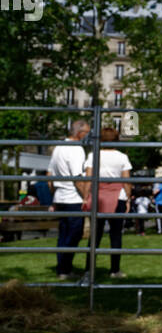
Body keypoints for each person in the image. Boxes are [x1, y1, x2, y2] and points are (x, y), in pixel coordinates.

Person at [83, 126, 132, 279]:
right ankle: (115, 270)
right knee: (116, 235)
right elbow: (126, 180)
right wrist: (128, 198)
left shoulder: (93, 155)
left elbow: (88, 178)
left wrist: (85, 197)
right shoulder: (122, 157)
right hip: (118, 197)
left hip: (97, 195)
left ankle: (89, 270)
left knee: (95, 236)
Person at [46, 119, 90, 279]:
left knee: (63, 234)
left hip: (60, 196)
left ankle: (62, 268)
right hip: (73, 198)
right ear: (80, 133)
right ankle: (65, 269)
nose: (87, 136)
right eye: (86, 133)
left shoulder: (58, 147)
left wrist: (54, 196)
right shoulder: (76, 150)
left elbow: (49, 175)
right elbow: (78, 178)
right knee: (74, 234)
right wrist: (85, 197)